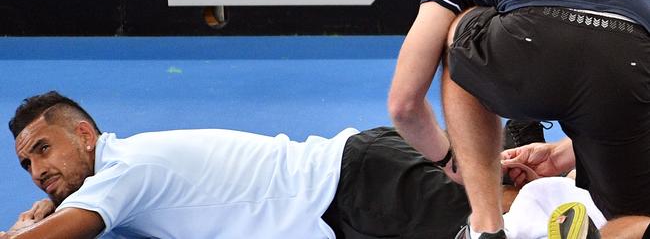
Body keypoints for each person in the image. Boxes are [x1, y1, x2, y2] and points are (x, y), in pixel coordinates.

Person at [387, 0, 650, 238]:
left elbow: (404, 101)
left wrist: (455, 161)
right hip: (629, 60)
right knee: (632, 216)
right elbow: (607, 61)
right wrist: (565, 152)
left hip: (527, 47)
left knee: (459, 29)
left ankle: (486, 226)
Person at [2, 91, 471, 238]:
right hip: (355, 193)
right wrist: (46, 210)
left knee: (507, 220)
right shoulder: (118, 169)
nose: (36, 171)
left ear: (85, 136)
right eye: (25, 164)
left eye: (43, 149)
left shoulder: (125, 172)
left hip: (361, 187)